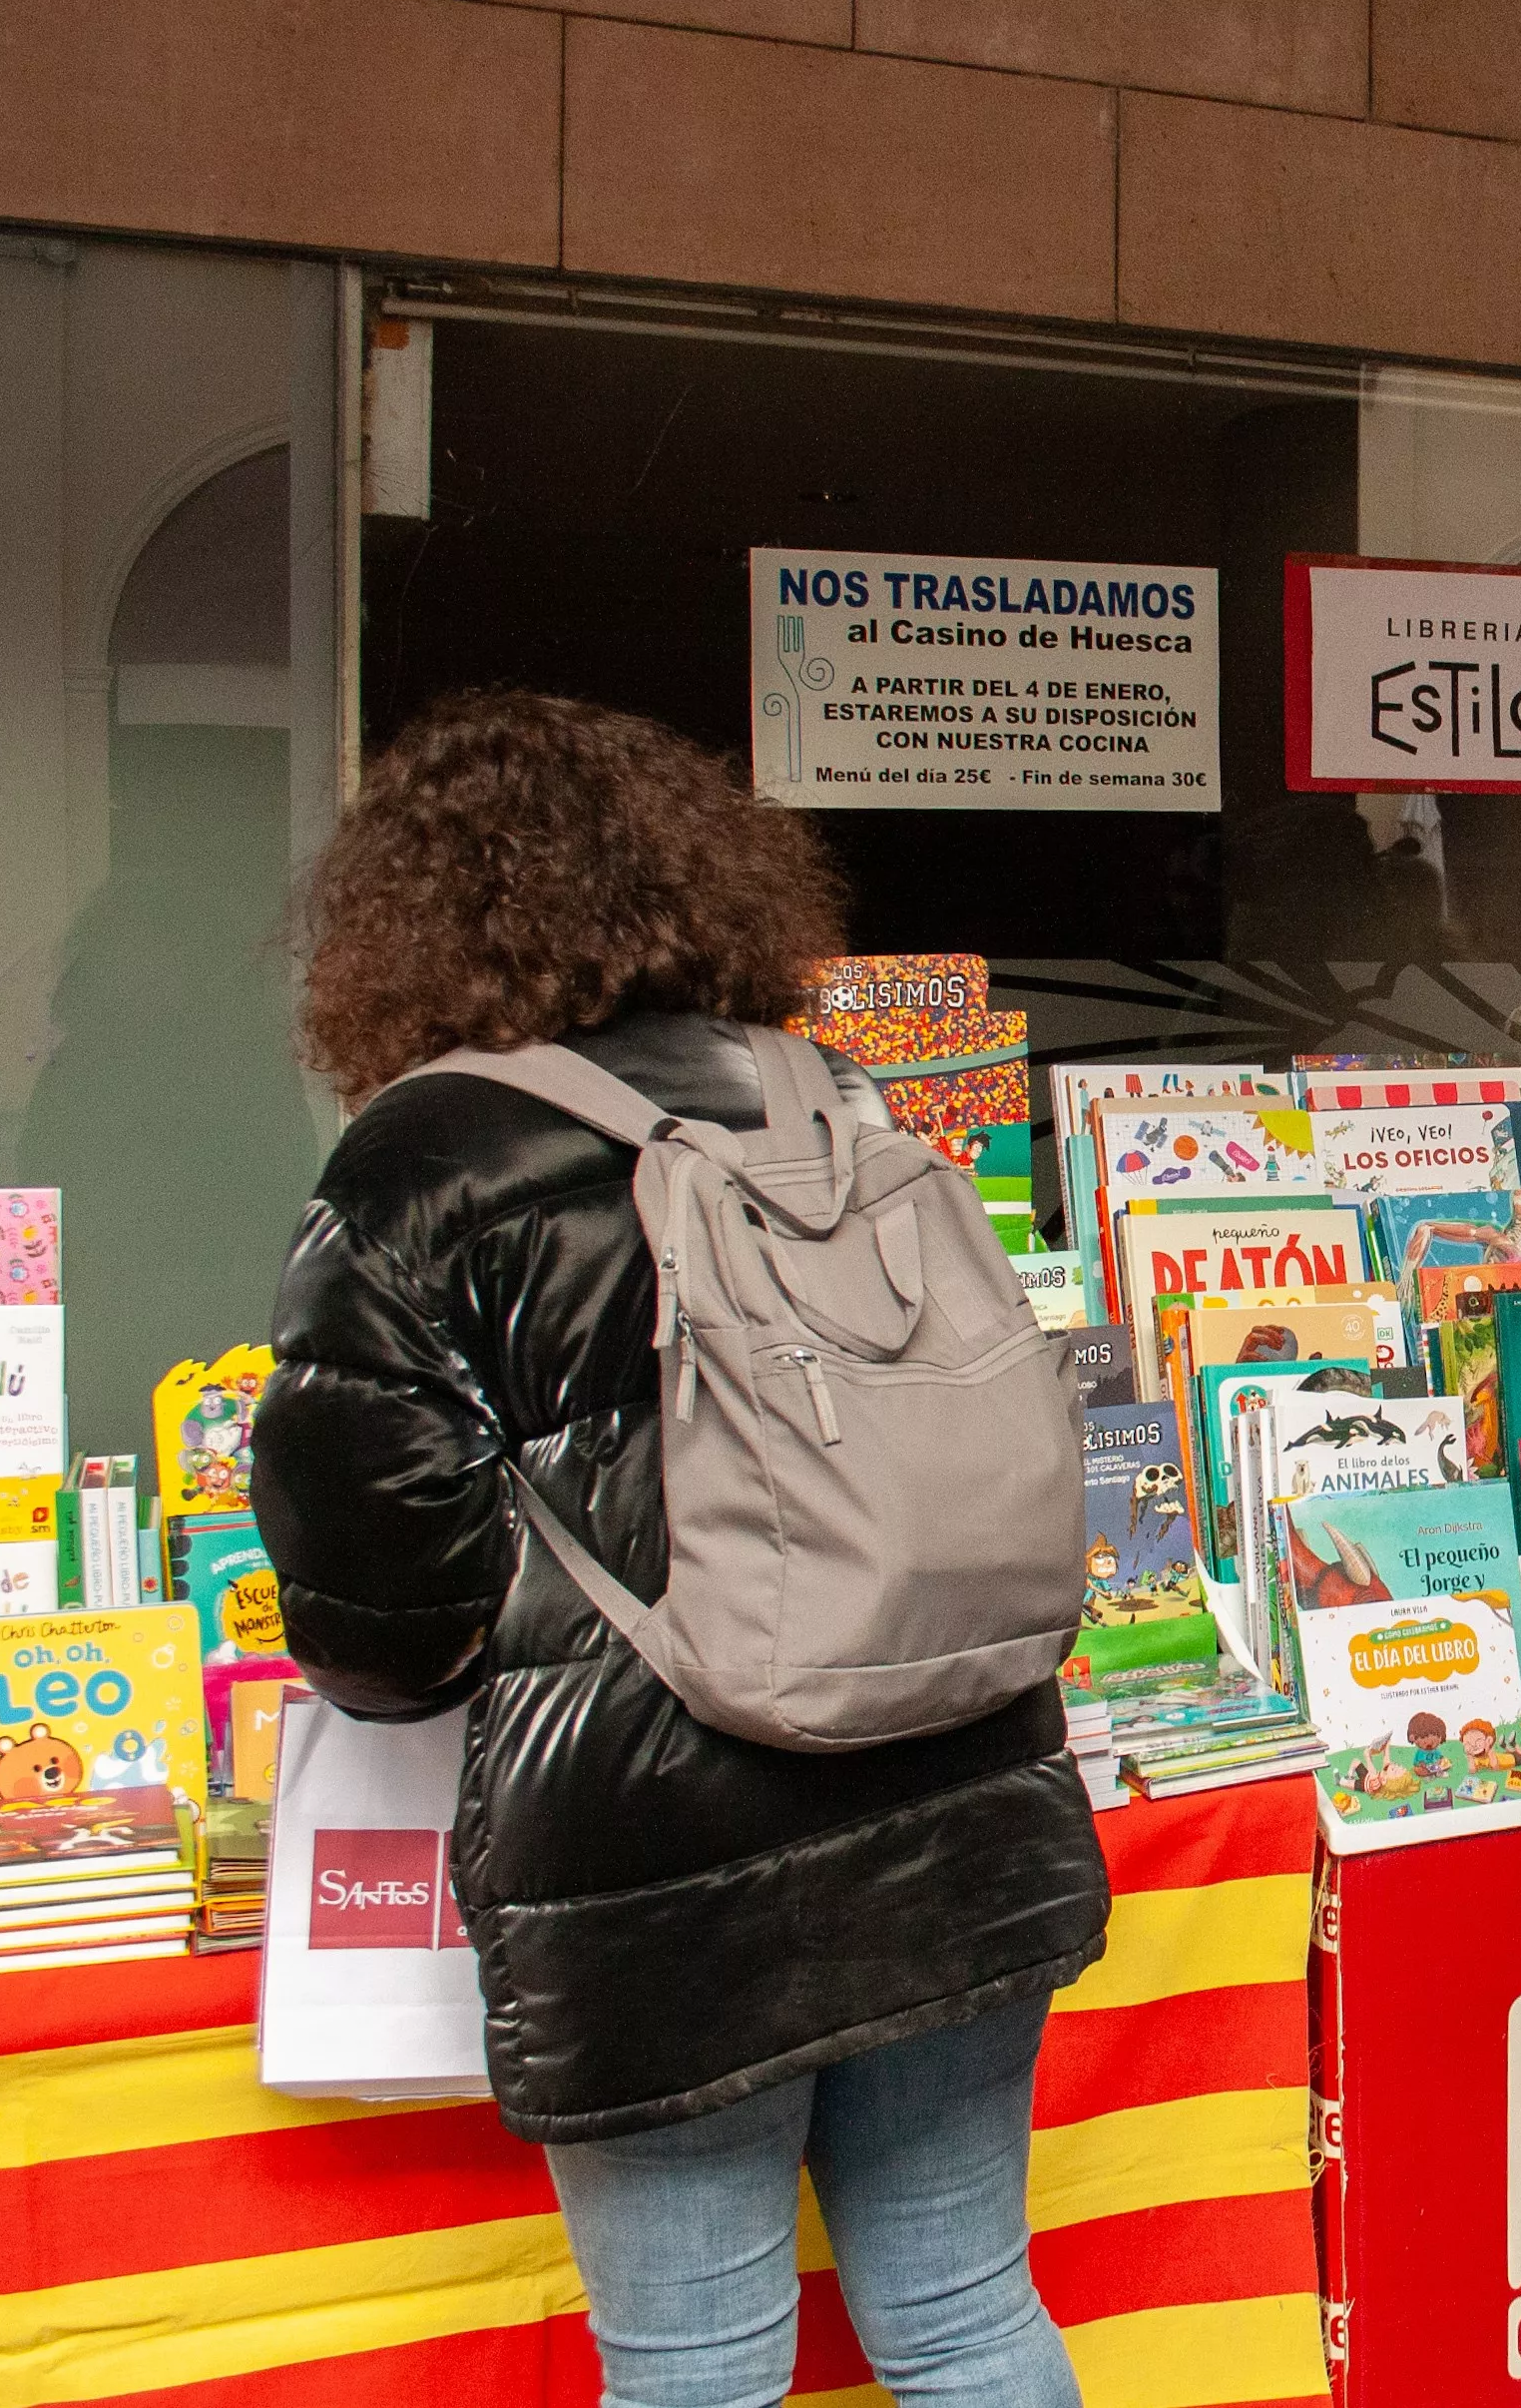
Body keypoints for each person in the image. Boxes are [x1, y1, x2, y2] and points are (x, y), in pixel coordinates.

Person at [250, 692, 1107, 2408]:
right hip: (962, 1788)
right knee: (958, 2311)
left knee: (698, 2365)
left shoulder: (421, 1159)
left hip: (656, 1862)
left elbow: (379, 1608)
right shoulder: (827, 1093)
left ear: (405, 924)